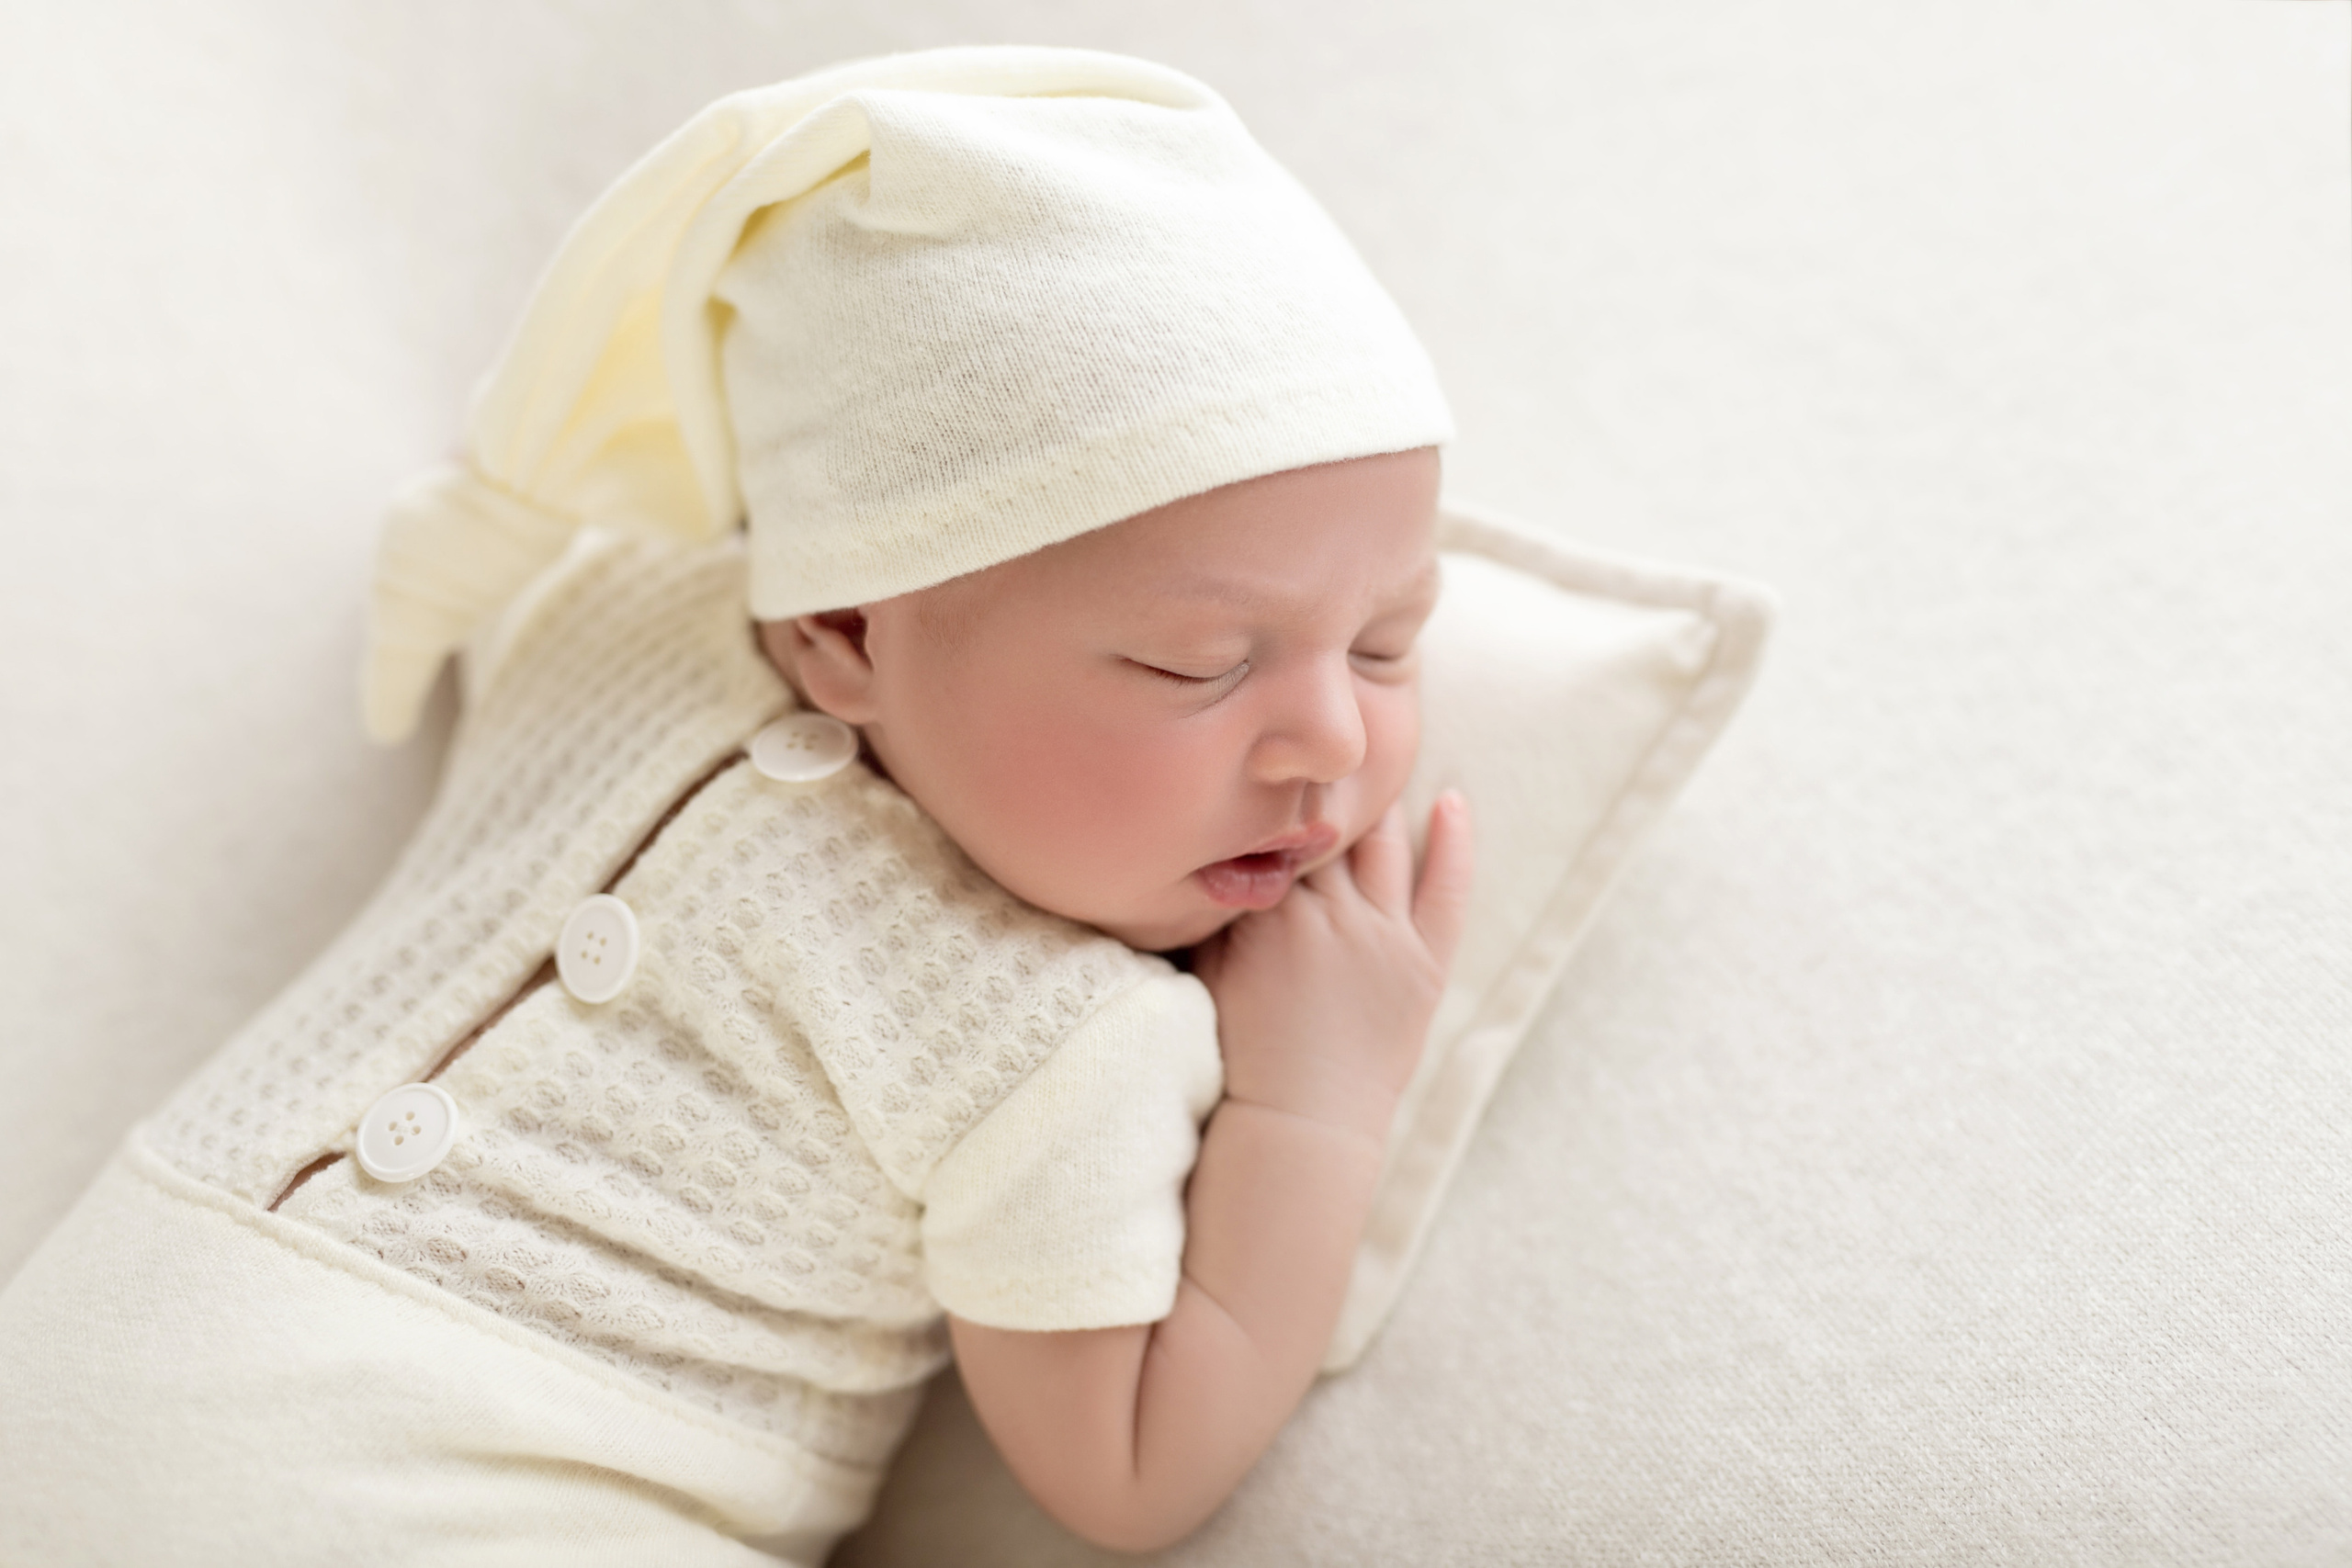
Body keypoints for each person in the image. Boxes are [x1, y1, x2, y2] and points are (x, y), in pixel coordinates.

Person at [0, 43, 1471, 1564]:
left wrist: (1316, 1101)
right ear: (838, 633)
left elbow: (1128, 1467)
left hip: (530, 1486)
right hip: (112, 1362)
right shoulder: (633, 622)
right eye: (1196, 665)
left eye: (1389, 644)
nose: (1330, 740)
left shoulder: (1058, 1043)